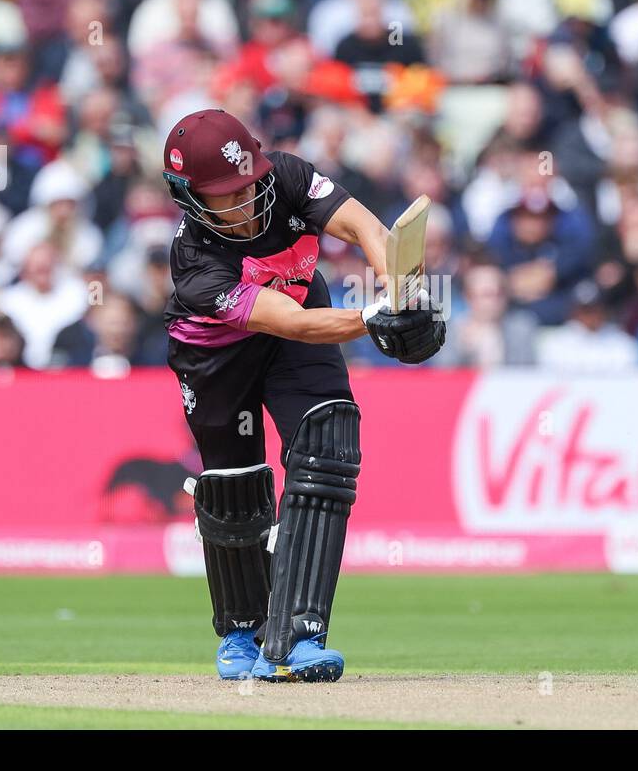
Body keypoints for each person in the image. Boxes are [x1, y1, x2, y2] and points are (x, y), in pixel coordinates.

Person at [160, 109, 444, 682]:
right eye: (226, 195)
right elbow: (290, 322)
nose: (246, 202)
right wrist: (372, 317)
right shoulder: (196, 264)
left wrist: (398, 287)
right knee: (234, 491)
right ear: (190, 198)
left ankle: (298, 638)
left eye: (249, 184)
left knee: (328, 444)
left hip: (298, 321)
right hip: (220, 359)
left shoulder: (286, 176)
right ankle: (243, 634)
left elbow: (367, 228)